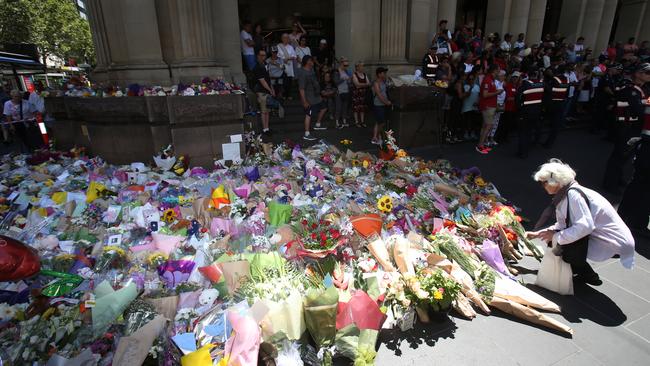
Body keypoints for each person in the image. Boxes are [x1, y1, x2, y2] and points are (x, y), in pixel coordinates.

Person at [530, 159, 635, 286]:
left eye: (543, 183)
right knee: (557, 237)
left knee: (559, 242)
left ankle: (585, 273)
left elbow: (585, 226)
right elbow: (564, 224)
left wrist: (555, 236)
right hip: (606, 237)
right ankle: (583, 272)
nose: (542, 186)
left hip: (613, 241)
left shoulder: (573, 195)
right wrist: (539, 233)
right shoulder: (568, 193)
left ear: (555, 182)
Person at [618, 63, 650, 236]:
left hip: (644, 143)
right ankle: (627, 219)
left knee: (640, 186)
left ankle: (634, 220)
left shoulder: (645, 92)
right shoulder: (634, 90)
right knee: (640, 184)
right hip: (645, 144)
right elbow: (638, 109)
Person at [516, 68, 544, 158]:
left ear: (529, 75)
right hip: (537, 111)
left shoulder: (526, 84)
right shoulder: (541, 84)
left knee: (523, 133)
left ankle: (522, 152)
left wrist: (520, 108)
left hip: (526, 112)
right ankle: (527, 150)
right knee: (529, 132)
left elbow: (518, 97)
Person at [298, 55, 328, 141]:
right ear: (307, 62)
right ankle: (306, 134)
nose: (313, 62)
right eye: (311, 60)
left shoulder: (311, 70)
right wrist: (304, 101)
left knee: (324, 107)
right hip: (309, 98)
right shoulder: (302, 73)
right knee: (309, 114)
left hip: (317, 96)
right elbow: (301, 89)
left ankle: (317, 124)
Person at [477, 64, 503, 154]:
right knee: (488, 126)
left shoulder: (491, 79)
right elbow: (484, 94)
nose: (499, 72)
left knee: (485, 126)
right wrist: (497, 92)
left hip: (490, 105)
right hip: (487, 106)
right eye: (498, 70)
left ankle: (482, 144)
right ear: (494, 70)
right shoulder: (488, 79)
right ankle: (480, 145)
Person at [541, 66, 568, 148]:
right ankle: (550, 142)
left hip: (552, 103)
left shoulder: (554, 79)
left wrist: (544, 84)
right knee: (555, 125)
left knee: (549, 122)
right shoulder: (566, 79)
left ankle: (544, 141)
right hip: (561, 102)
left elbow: (549, 90)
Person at [253, 49, 275, 135]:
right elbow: (262, 81)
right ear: (258, 56)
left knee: (267, 110)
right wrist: (270, 90)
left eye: (264, 55)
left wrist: (272, 89)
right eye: (261, 55)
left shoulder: (265, 65)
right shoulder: (257, 67)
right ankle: (265, 129)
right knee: (264, 110)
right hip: (261, 91)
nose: (263, 57)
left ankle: (267, 128)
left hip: (267, 90)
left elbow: (268, 79)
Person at [372, 67, 391, 145]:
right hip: (378, 104)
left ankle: (376, 137)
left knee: (378, 121)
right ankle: (376, 136)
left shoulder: (384, 81)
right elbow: (379, 94)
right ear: (379, 74)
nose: (385, 74)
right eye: (383, 73)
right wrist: (386, 102)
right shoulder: (376, 83)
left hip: (383, 104)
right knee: (381, 122)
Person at [460, 71, 481, 141]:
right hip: (467, 107)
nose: (471, 80)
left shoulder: (477, 87)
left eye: (472, 79)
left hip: (475, 107)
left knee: (474, 121)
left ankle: (472, 133)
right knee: (467, 121)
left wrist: (478, 102)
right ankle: (466, 133)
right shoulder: (465, 86)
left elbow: (479, 96)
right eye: (470, 79)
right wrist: (471, 88)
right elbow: (466, 95)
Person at [333, 57, 352, 129]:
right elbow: (336, 82)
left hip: (346, 91)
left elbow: (349, 82)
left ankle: (344, 121)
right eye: (345, 65)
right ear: (341, 64)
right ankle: (337, 122)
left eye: (347, 66)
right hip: (339, 92)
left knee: (345, 107)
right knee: (338, 107)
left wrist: (349, 81)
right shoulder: (337, 71)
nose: (346, 67)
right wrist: (343, 79)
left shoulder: (346, 71)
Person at [277, 34, 297, 99]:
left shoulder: (290, 47)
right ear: (282, 39)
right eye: (284, 38)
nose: (286, 39)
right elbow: (277, 55)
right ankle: (283, 95)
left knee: (289, 81)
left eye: (287, 38)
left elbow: (295, 56)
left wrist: (288, 58)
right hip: (281, 66)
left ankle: (288, 95)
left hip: (289, 67)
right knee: (283, 81)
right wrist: (283, 59)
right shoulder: (279, 46)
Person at [351, 61, 370, 128]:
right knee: (356, 108)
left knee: (362, 108)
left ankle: (362, 121)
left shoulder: (364, 74)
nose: (362, 67)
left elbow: (368, 83)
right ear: (357, 67)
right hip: (356, 94)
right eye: (361, 66)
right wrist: (364, 85)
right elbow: (357, 85)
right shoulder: (354, 74)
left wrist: (361, 85)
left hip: (363, 94)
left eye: (363, 66)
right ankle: (356, 122)